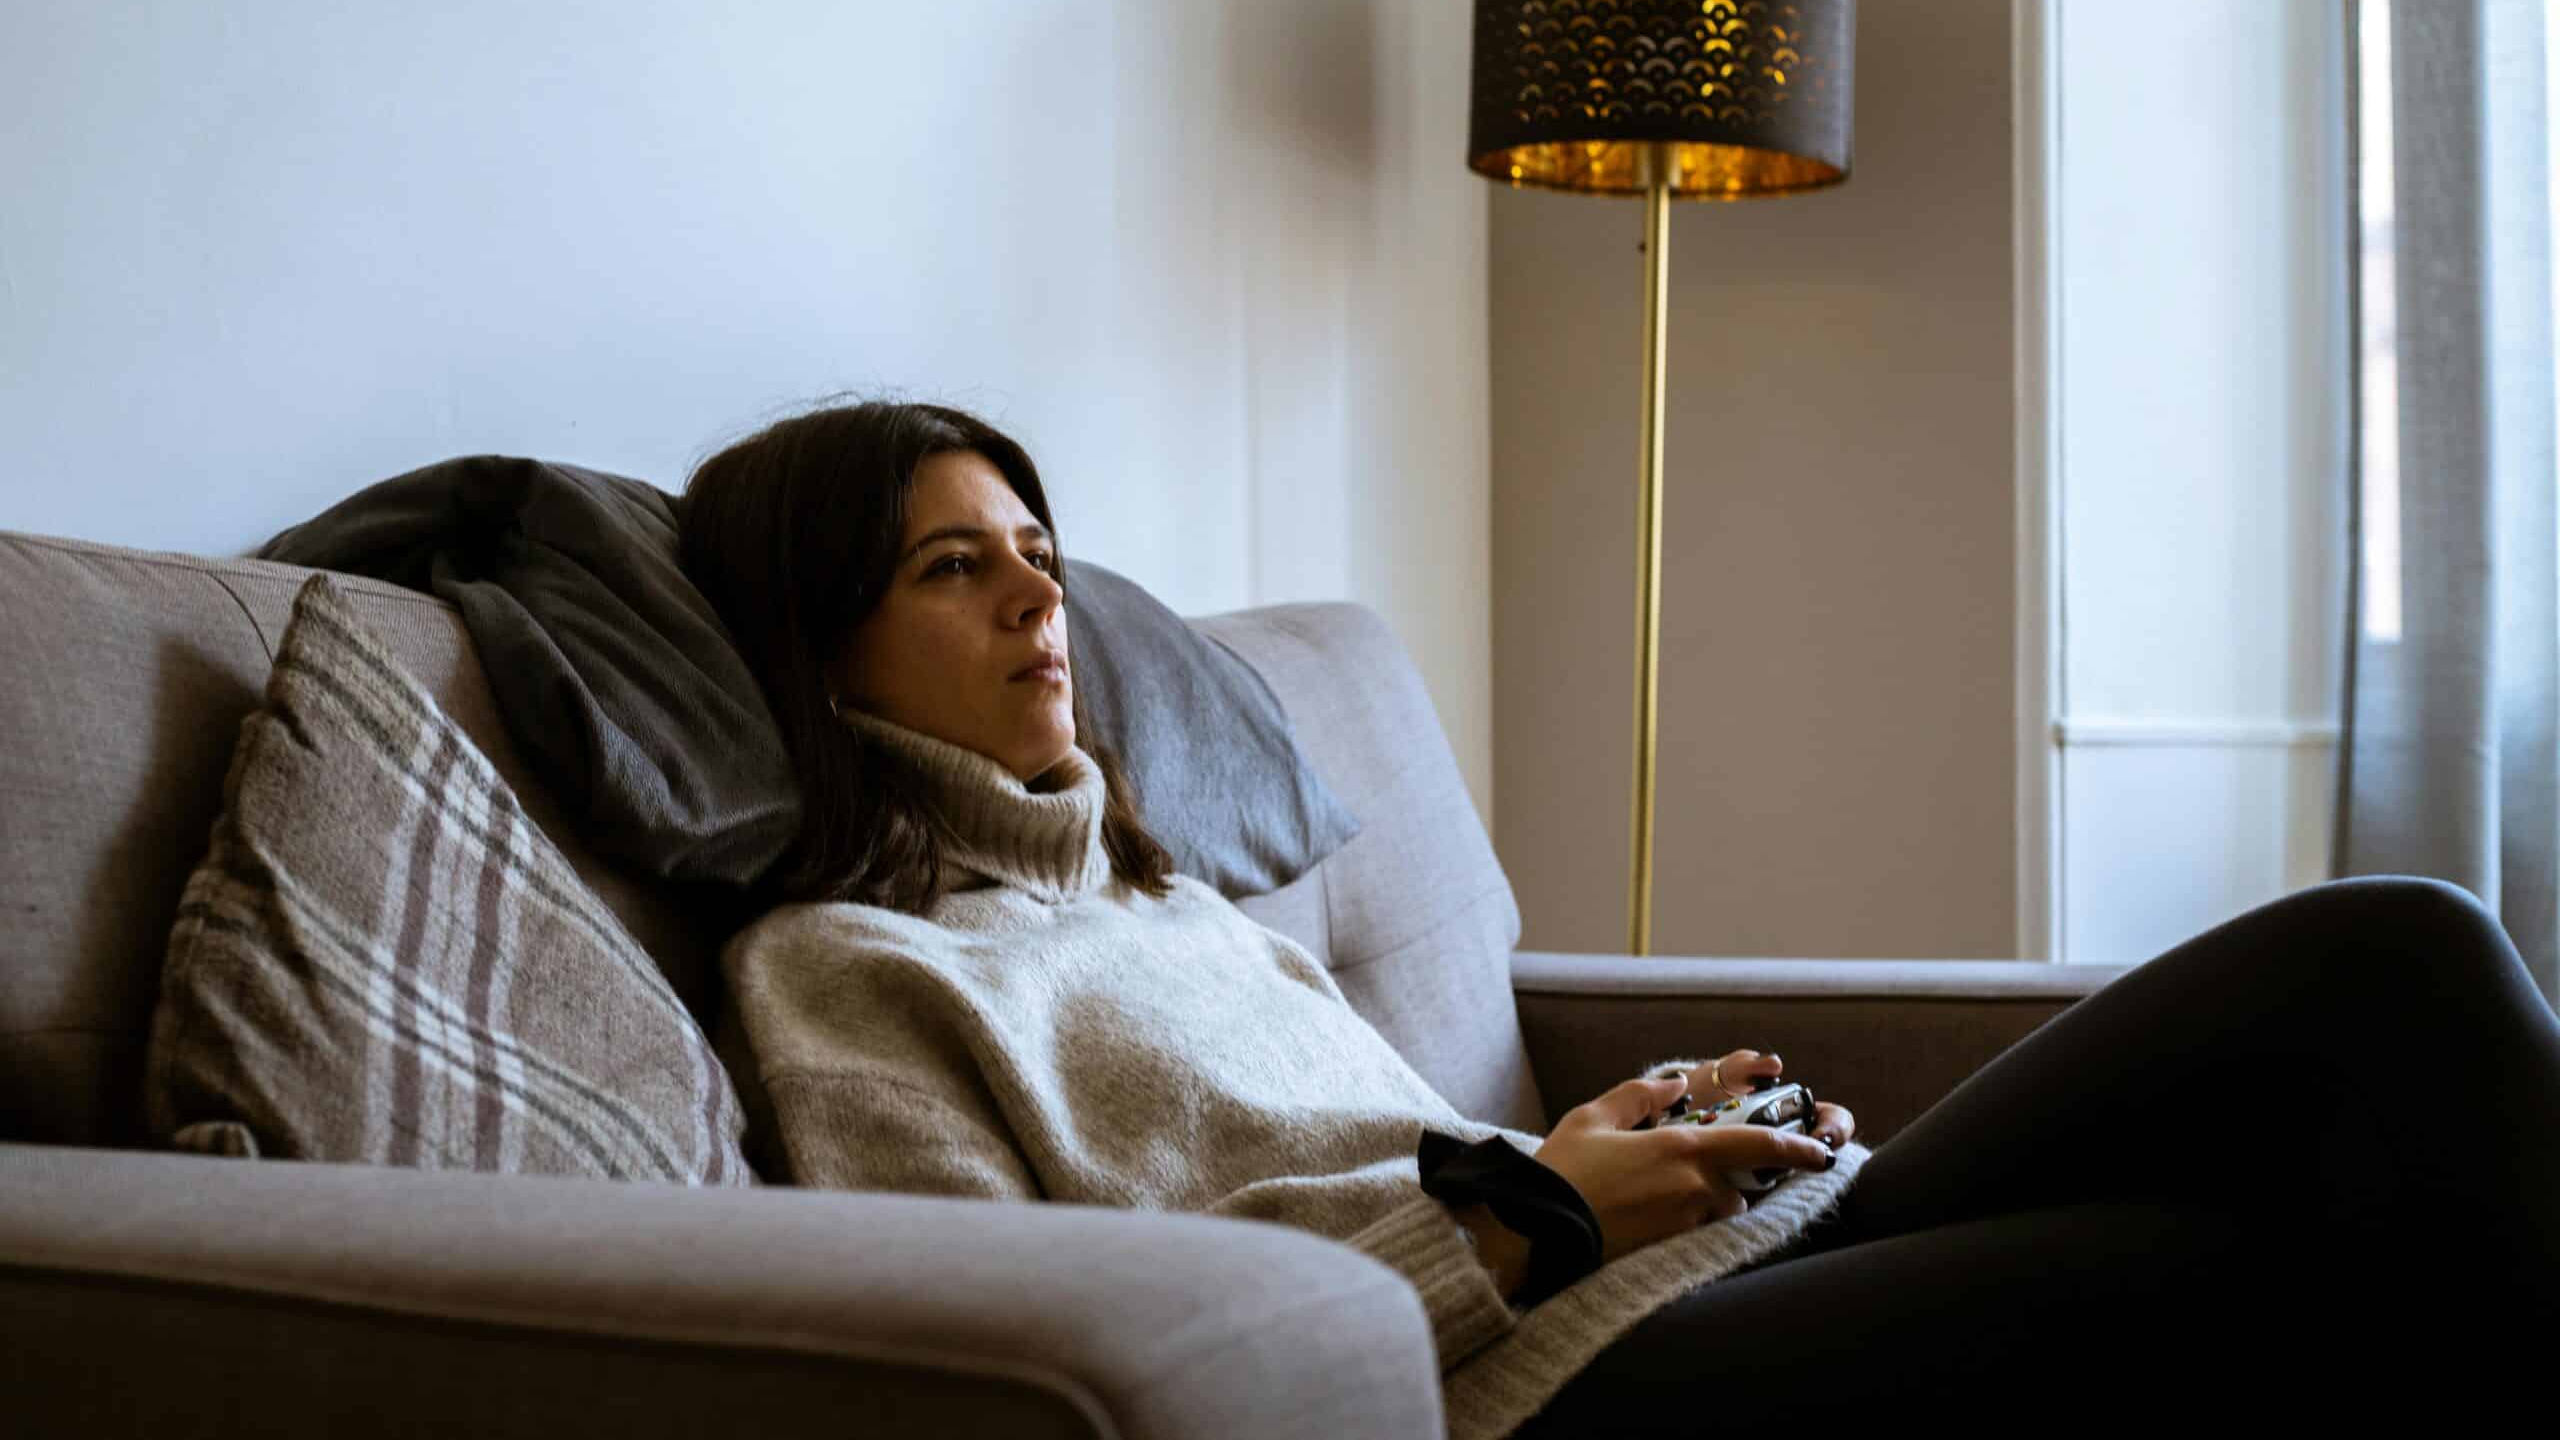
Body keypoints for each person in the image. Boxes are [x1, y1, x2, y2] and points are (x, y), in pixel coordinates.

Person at [676, 396, 2560, 1434]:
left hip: (1625, 1280)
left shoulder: (1175, 903)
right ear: (818, 643)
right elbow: (981, 1358)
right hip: (1536, 1396)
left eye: (1042, 557)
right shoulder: (846, 969)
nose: (1038, 606)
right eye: (954, 567)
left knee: (2372, 1012)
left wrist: (1618, 1143)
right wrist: (1534, 1213)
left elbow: (1388, 1157)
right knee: (2356, 1022)